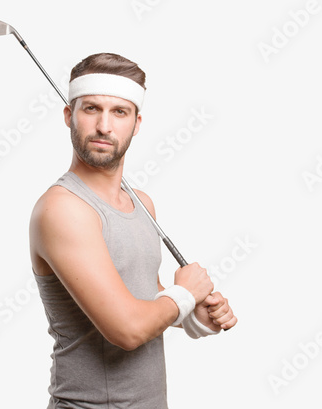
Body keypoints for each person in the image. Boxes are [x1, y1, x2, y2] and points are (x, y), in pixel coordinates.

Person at [29, 53, 237, 409]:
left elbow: (144, 298)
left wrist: (194, 315)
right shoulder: (63, 209)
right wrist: (184, 295)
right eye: (91, 108)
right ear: (69, 115)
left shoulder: (141, 202)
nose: (104, 127)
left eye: (119, 112)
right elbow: (127, 329)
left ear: (137, 123)